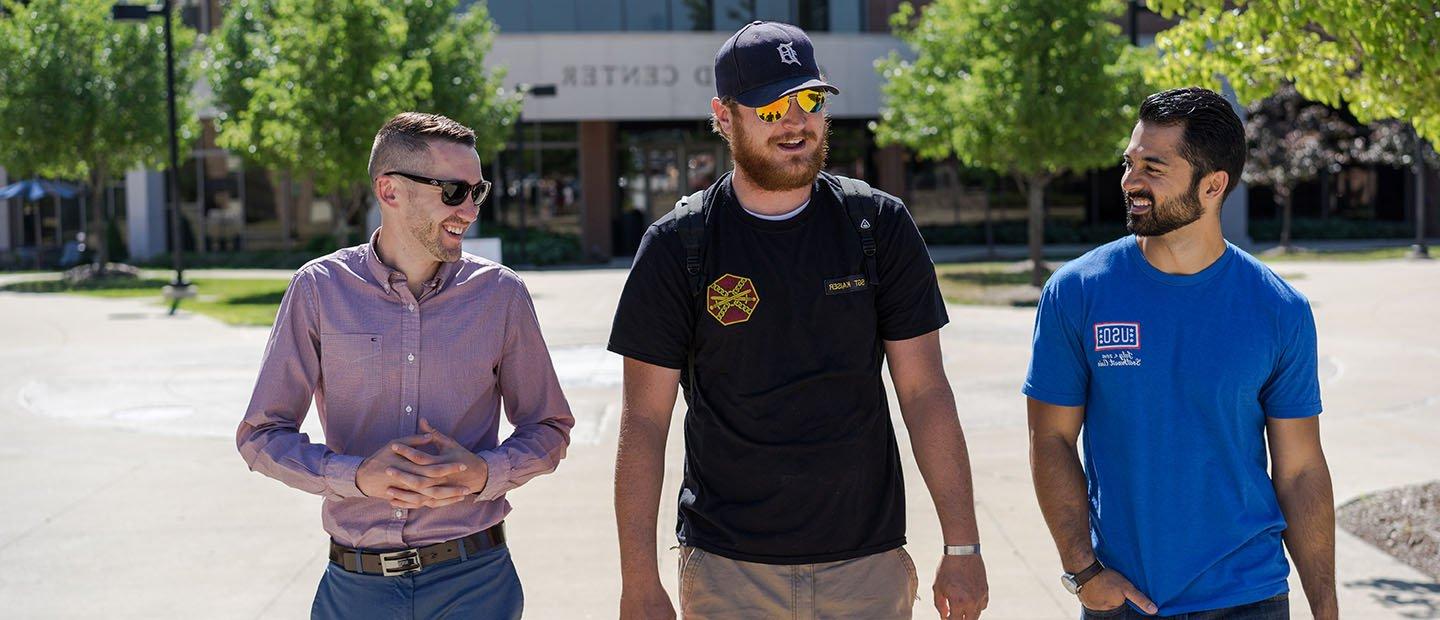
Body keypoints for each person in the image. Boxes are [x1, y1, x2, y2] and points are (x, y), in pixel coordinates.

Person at [610, 20, 988, 620]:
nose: (795, 120)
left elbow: (924, 392)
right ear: (724, 115)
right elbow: (646, 421)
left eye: (809, 99)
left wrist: (962, 544)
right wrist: (638, 580)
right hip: (727, 572)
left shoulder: (877, 226)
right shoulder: (679, 245)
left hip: (867, 567)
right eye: (771, 104)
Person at [236, 112, 574, 619]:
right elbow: (260, 435)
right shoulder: (318, 290)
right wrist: (353, 477)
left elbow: (549, 426)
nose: (470, 210)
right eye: (454, 192)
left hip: (475, 582)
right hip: (355, 589)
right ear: (390, 191)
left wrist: (487, 471)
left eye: (477, 192)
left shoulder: (500, 295)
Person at [1025, 87, 1337, 619]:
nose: (1130, 182)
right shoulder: (1077, 292)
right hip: (1124, 601)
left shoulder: (1278, 308)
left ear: (1213, 185)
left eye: (1153, 167)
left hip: (1250, 597)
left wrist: (1326, 610)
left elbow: (1300, 470)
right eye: (1129, 163)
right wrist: (1082, 570)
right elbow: (1051, 437)